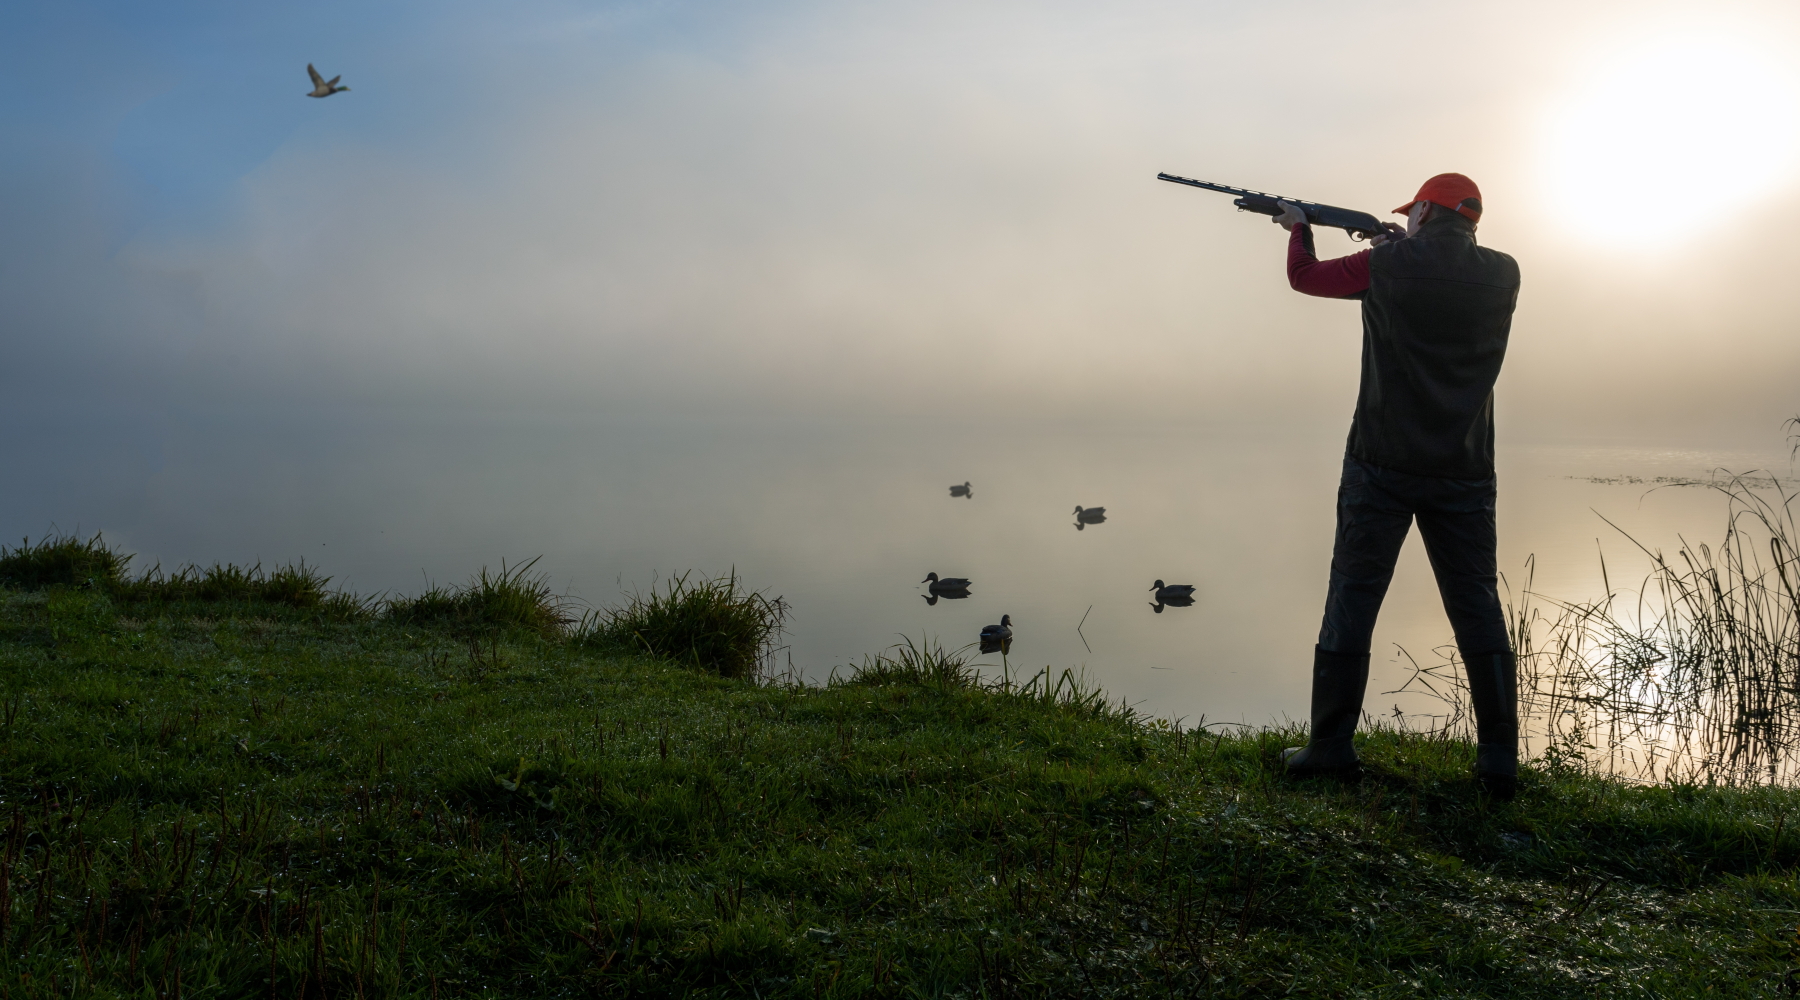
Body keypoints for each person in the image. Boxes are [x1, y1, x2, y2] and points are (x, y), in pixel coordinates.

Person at [1272, 174, 1523, 799]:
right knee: (1477, 607)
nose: (1406, 221)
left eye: (1412, 213)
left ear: (1428, 212)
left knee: (1353, 597)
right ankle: (1498, 761)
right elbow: (1428, 292)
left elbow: (1306, 277)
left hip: (1380, 464)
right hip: (1465, 467)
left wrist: (1298, 227)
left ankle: (1330, 747)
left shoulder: (1387, 264)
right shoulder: (1503, 273)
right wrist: (1391, 247)